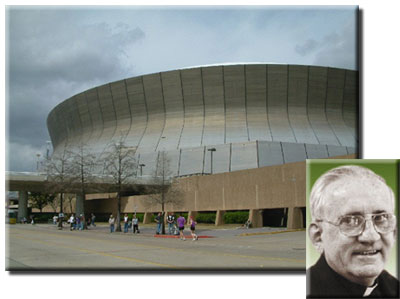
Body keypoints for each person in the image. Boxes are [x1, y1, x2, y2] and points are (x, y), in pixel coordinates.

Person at [307, 165, 399, 298]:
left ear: (394, 232)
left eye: (381, 218)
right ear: (318, 236)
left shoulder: (393, 287)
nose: (371, 236)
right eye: (350, 221)